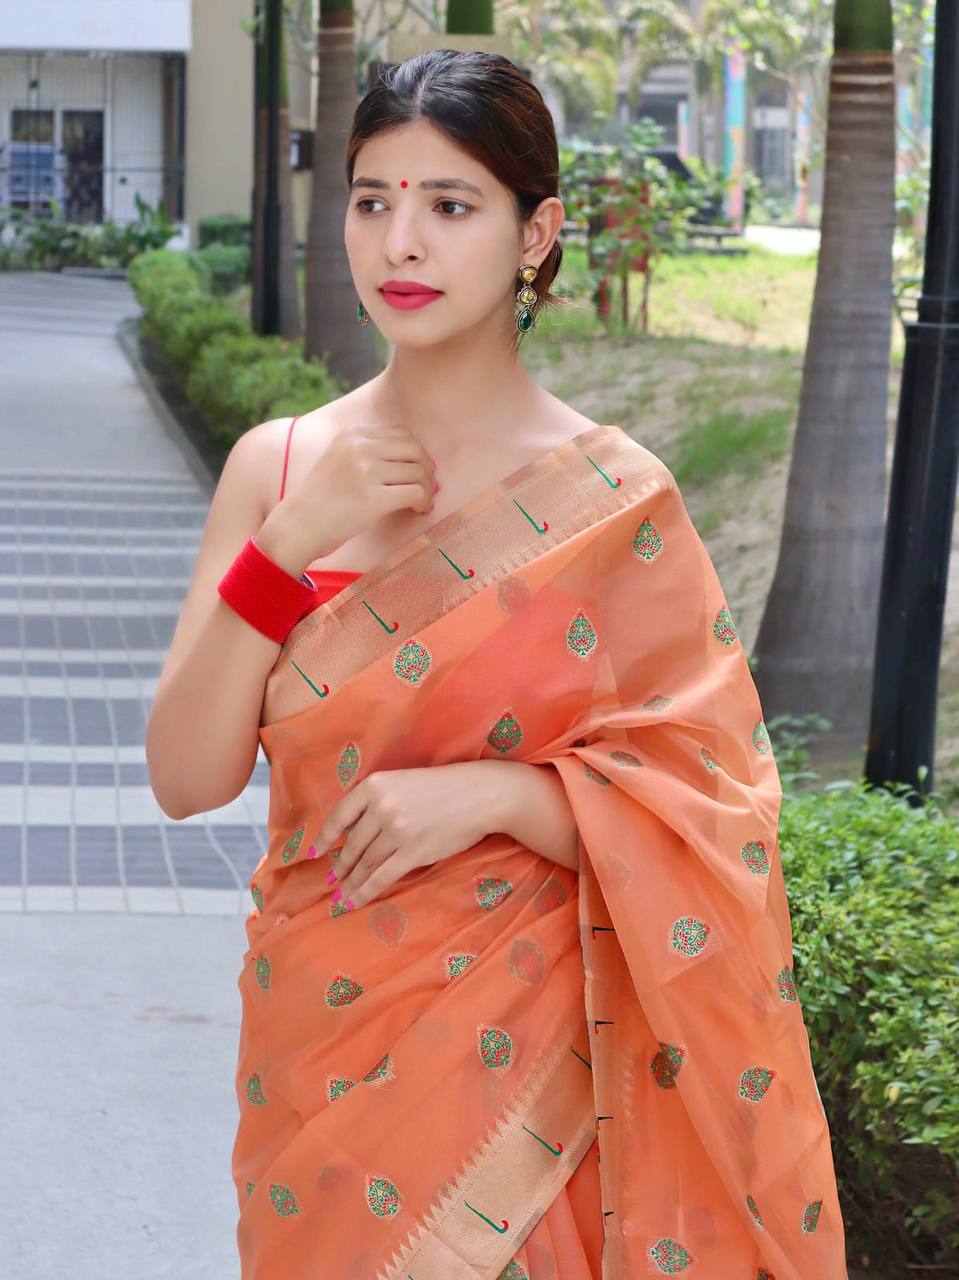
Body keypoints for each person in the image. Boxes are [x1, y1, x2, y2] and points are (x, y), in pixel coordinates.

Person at [146, 48, 850, 1280]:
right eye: (372, 199)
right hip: (326, 1049)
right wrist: (288, 542)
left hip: (545, 1065)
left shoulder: (613, 503)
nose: (399, 242)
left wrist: (501, 796)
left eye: (449, 204)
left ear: (536, 233)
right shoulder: (279, 468)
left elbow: (714, 812)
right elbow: (185, 776)